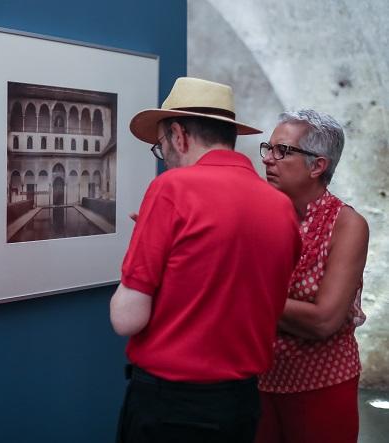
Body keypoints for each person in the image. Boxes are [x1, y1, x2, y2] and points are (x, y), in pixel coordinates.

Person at [110, 77, 302, 443]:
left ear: (178, 135)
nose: (164, 158)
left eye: (160, 147)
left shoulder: (172, 189)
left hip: (171, 407)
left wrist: (141, 249)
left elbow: (126, 318)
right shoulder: (280, 206)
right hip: (241, 403)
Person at [256, 110, 369, 443]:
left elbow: (324, 321)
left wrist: (248, 298)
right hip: (258, 383)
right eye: (268, 148)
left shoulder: (347, 225)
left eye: (282, 151)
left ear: (318, 166)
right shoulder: (260, 215)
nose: (268, 160)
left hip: (321, 389)